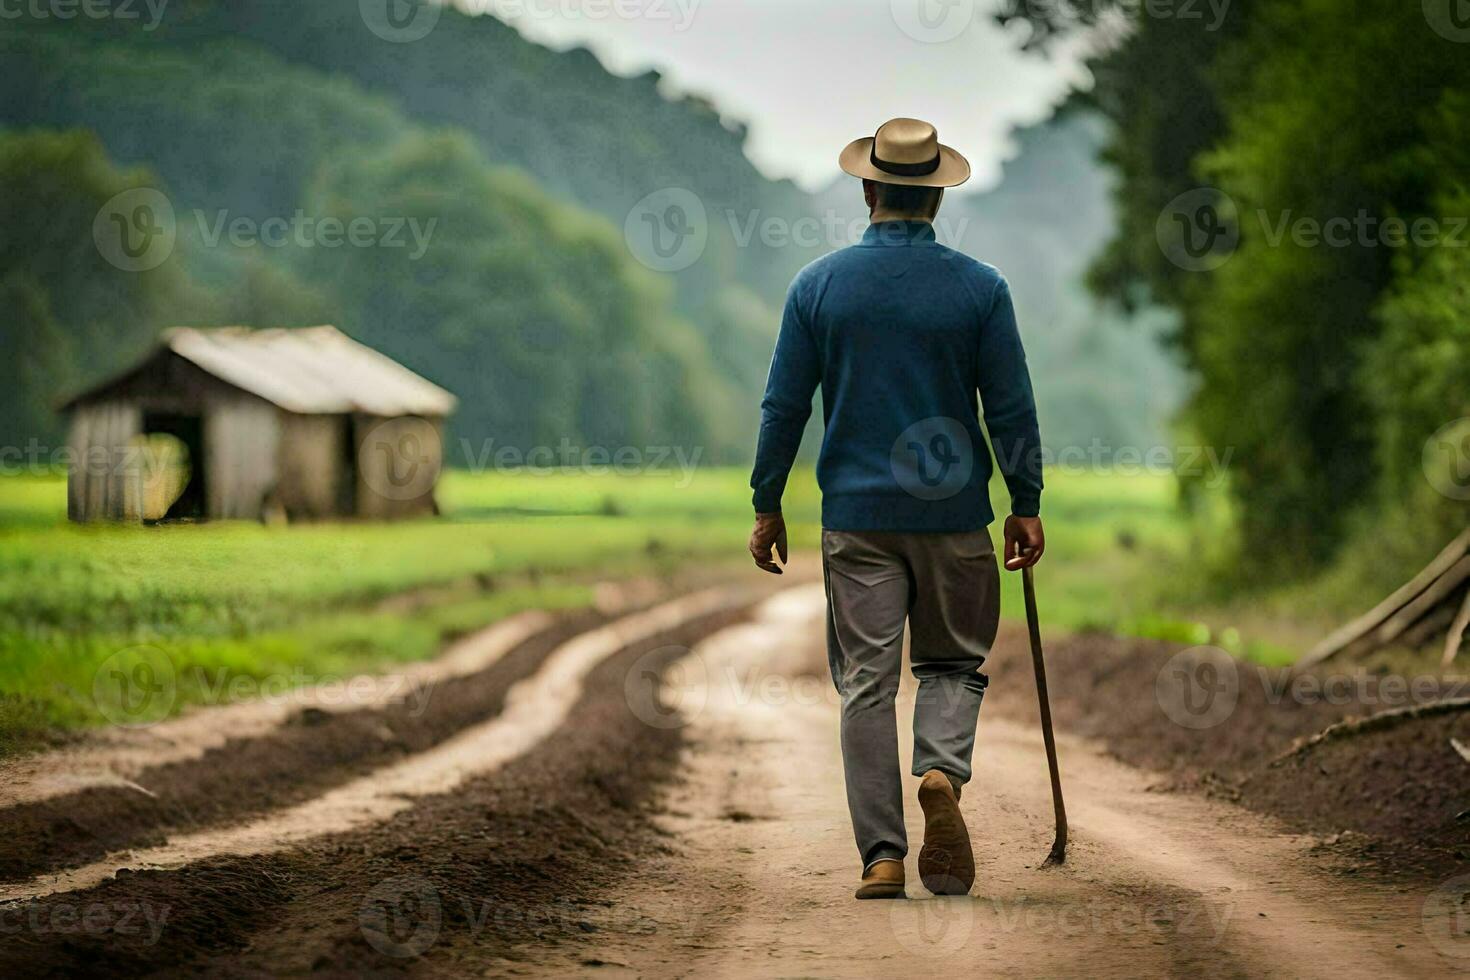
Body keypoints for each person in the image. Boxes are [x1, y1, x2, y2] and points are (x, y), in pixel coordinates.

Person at [746, 117, 1045, 899]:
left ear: (869, 188)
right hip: (955, 517)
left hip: (857, 518)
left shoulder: (818, 286)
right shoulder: (981, 289)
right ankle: (941, 771)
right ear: (937, 198)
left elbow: (784, 406)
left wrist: (766, 500)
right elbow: (1010, 408)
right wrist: (1026, 502)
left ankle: (881, 856)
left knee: (866, 687)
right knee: (950, 663)